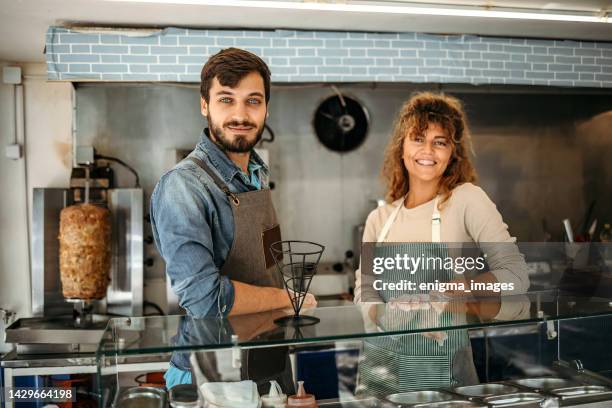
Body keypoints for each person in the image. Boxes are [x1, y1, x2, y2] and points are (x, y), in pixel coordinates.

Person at [151, 47, 314, 391]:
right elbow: (205, 299)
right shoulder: (183, 186)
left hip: (267, 360)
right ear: (205, 105)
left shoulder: (256, 173)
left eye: (252, 101)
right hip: (212, 374)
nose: (240, 114)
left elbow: (268, 263)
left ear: (266, 108)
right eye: (226, 99)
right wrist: (287, 298)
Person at [353, 92, 530, 397]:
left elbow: (516, 276)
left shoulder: (465, 200)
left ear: (452, 153)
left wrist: (458, 290)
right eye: (418, 138)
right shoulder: (379, 219)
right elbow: (363, 292)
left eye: (440, 141)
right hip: (380, 378)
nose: (428, 150)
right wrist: (387, 315)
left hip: (442, 381)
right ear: (402, 147)